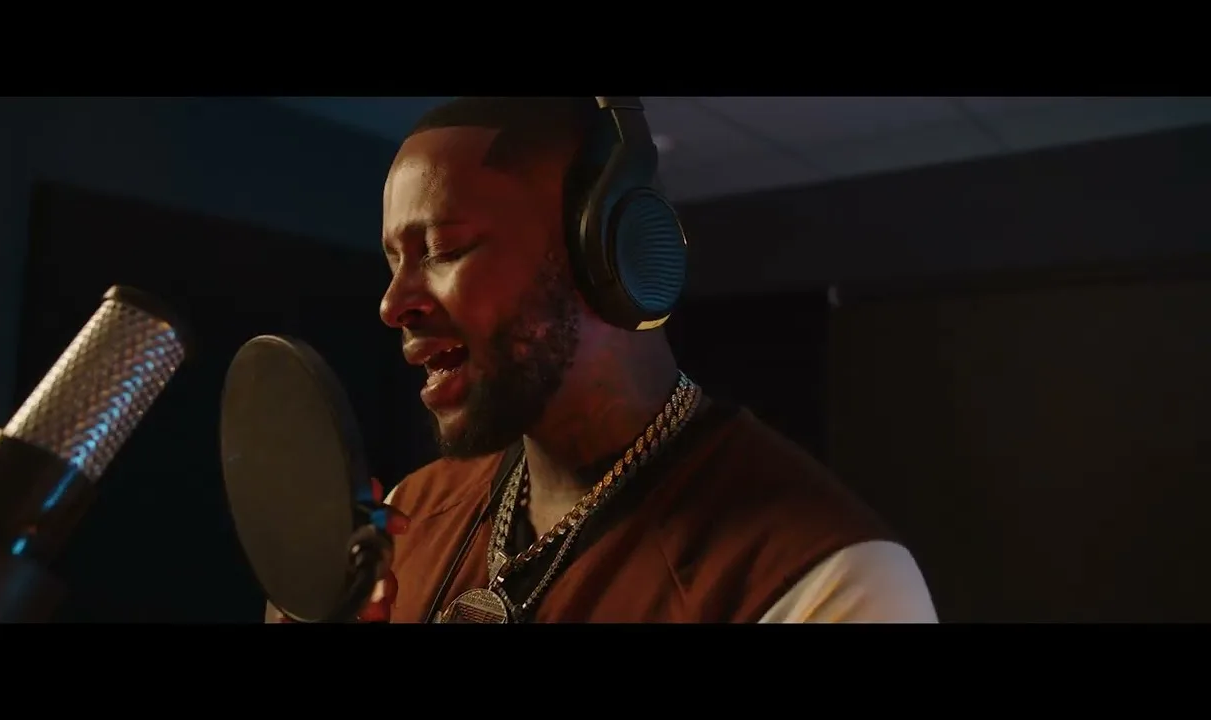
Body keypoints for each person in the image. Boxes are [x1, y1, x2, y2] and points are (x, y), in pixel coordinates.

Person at [268, 97, 938, 624]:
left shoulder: (826, 580)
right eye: (394, 262)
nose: (393, 304)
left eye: (443, 250)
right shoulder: (409, 517)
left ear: (608, 256)